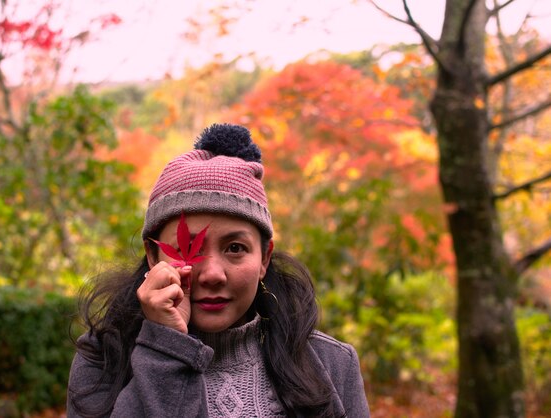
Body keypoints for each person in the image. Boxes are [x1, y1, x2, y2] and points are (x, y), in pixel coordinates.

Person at [67, 123, 370, 418]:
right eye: (189, 249)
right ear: (152, 255)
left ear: (264, 258)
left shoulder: (331, 365)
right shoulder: (102, 362)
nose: (213, 274)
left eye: (235, 248)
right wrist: (166, 347)